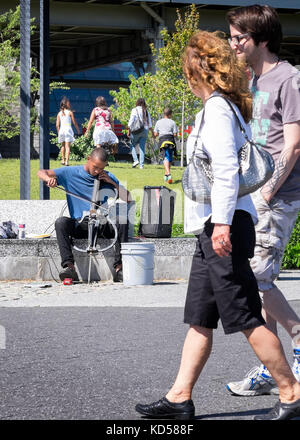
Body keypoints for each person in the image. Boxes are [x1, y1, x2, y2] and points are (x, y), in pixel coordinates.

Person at [135, 30, 300, 421]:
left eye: (187, 73)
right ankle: (179, 397)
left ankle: (292, 393)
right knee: (200, 316)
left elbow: (226, 171)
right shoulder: (223, 107)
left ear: (198, 73)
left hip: (222, 227)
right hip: (213, 228)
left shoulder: (218, 110)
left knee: (245, 315)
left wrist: (222, 225)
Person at [226, 4, 300, 397]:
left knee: (256, 277)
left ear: (262, 39)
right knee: (255, 282)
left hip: (277, 195)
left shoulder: (290, 80)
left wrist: (269, 190)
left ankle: (299, 338)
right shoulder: (251, 82)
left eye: (240, 37)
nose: (233, 44)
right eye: (232, 37)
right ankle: (272, 368)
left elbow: (294, 142)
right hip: (250, 194)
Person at [37, 148, 131, 283]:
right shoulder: (70, 172)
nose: (98, 171)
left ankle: (119, 268)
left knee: (122, 220)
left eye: (101, 168)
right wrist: (48, 179)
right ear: (88, 159)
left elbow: (128, 198)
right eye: (95, 167)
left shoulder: (107, 176)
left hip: (101, 223)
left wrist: (112, 183)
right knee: (61, 222)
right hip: (80, 224)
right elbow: (41, 172)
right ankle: (69, 268)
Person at [128, 98, 154, 169]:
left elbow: (131, 122)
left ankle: (136, 160)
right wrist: (152, 133)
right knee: (142, 148)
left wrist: (129, 131)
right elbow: (150, 124)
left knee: (132, 145)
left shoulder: (134, 110)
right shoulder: (146, 111)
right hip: (145, 130)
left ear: (137, 103)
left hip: (136, 130)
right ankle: (141, 165)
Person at [154, 107, 178, 184]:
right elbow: (175, 134)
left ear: (163, 114)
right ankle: (167, 174)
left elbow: (155, 134)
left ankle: (167, 174)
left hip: (162, 141)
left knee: (166, 157)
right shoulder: (173, 122)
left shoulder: (158, 122)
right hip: (171, 140)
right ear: (170, 114)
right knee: (169, 158)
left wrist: (158, 133)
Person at [56, 97, 80, 166]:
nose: (70, 104)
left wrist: (59, 133)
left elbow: (57, 125)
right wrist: (78, 130)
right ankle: (67, 161)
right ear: (66, 104)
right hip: (68, 130)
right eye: (69, 103)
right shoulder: (70, 112)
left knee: (62, 146)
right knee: (67, 146)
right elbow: (74, 123)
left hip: (61, 130)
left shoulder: (59, 113)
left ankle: (63, 160)